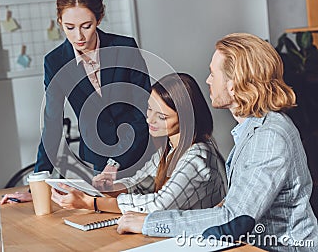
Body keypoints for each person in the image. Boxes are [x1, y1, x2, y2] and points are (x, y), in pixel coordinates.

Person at [116, 33, 318, 251]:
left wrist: (149, 223)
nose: (208, 80)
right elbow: (233, 208)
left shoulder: (269, 137)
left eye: (213, 74)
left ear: (234, 85)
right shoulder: (254, 130)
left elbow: (233, 219)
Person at [0, 0, 153, 204]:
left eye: (86, 26)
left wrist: (116, 162)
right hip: (97, 162)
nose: (78, 36)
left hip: (140, 154)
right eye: (69, 27)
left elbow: (144, 109)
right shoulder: (55, 62)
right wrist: (37, 187)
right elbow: (52, 124)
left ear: (99, 18)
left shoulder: (124, 47)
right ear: (60, 21)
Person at [51, 73, 227, 214]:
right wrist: (101, 189)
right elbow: (138, 184)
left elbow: (159, 205)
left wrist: (93, 203)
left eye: (162, 117)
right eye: (149, 109)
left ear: (187, 119)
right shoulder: (168, 148)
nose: (149, 119)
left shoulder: (197, 156)